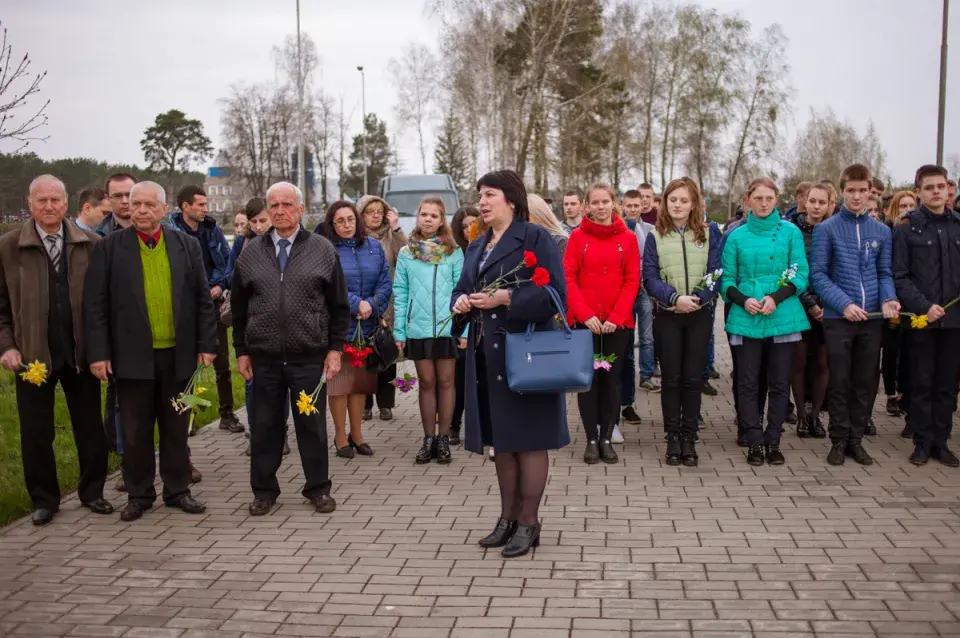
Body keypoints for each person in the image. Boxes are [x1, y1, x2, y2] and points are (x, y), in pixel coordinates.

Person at [451, 169, 568, 558]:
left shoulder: (534, 237)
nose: (482, 202)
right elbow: (463, 287)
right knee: (502, 442)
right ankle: (507, 518)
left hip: (526, 355)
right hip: (487, 356)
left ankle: (529, 522)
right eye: (480, 195)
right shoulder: (476, 245)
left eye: (490, 195)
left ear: (511, 200)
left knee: (529, 440)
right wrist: (460, 303)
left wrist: (506, 299)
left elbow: (555, 296)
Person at [84, 181, 215, 521]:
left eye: (148, 204)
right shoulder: (110, 248)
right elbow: (95, 305)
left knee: (175, 428)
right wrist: (99, 353)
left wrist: (206, 346)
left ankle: (178, 491)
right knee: (136, 431)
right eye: (135, 203)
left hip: (179, 356)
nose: (141, 210)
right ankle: (139, 495)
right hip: (131, 359)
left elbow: (203, 299)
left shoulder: (186, 245)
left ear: (162, 207)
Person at [231, 181, 350, 516]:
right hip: (264, 358)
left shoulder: (323, 250)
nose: (280, 211)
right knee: (265, 427)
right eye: (274, 205)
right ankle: (264, 491)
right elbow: (239, 309)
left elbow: (339, 306)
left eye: (287, 204)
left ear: (300, 209)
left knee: (311, 426)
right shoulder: (250, 253)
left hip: (309, 357)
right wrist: (241, 350)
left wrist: (335, 349)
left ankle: (318, 488)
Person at [0, 175, 111, 526]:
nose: (49, 206)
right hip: (32, 357)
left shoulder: (91, 243)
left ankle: (93, 492)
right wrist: (6, 347)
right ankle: (44, 500)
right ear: (30, 204)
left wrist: (101, 350)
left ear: (66, 204)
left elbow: (104, 304)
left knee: (91, 428)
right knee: (36, 433)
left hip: (80, 356)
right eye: (41, 200)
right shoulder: (8, 247)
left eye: (55, 200)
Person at [811, 164, 898, 466]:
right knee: (840, 380)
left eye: (863, 191)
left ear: (871, 192)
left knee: (865, 382)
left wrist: (888, 298)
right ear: (843, 191)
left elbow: (885, 272)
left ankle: (856, 440)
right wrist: (845, 303)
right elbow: (819, 275)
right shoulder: (827, 229)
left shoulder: (882, 232)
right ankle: (837, 440)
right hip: (839, 319)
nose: (858, 196)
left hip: (872, 319)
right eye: (852, 190)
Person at [721, 177, 810, 466]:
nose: (763, 203)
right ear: (747, 200)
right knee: (747, 382)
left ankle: (774, 440)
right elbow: (727, 278)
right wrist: (743, 299)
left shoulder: (790, 232)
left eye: (768, 198)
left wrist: (777, 296)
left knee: (780, 382)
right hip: (746, 314)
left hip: (781, 312)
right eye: (757, 198)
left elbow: (800, 273)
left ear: (776, 199)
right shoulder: (735, 236)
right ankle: (754, 440)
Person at [642, 177, 720, 466]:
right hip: (668, 316)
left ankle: (690, 438)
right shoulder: (655, 235)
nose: (678, 205)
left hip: (699, 315)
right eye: (673, 200)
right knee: (672, 379)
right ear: (665, 203)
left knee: (692, 379)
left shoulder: (710, 233)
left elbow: (716, 271)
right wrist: (675, 298)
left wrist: (698, 297)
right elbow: (649, 277)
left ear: (694, 204)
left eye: (684, 200)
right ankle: (672, 437)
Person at [564, 184, 641, 465]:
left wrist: (616, 317)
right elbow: (569, 278)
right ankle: (591, 439)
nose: (600, 207)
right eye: (594, 202)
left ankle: (607, 437)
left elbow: (632, 280)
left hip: (615, 327)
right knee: (589, 381)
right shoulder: (577, 238)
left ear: (613, 203)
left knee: (610, 380)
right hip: (586, 326)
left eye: (605, 201)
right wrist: (585, 314)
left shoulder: (628, 239)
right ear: (587, 206)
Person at [893, 164, 960, 467]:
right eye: (930, 187)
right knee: (920, 382)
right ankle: (921, 442)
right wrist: (923, 306)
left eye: (941, 186)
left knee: (945, 386)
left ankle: (940, 442)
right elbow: (900, 276)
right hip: (921, 321)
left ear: (949, 189)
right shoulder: (907, 227)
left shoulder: (958, 225)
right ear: (918, 192)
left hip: (954, 321)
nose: (937, 191)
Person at [316, 201, 392, 458]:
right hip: (339, 326)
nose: (347, 225)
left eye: (350, 219)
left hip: (367, 325)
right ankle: (340, 436)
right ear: (331, 224)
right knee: (339, 385)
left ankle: (357, 434)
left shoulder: (373, 246)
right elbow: (325, 285)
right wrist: (354, 303)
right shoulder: (325, 249)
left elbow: (385, 282)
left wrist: (370, 304)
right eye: (340, 221)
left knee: (360, 384)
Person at [393, 197, 466, 465]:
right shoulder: (406, 252)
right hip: (418, 327)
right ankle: (428, 439)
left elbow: (463, 293)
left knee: (446, 382)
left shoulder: (453, 252)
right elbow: (400, 293)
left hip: (448, 327)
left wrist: (464, 329)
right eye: (424, 214)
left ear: (441, 220)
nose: (428, 219)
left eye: (434, 215)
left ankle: (444, 438)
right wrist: (399, 331)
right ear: (417, 217)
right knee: (426, 383)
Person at [171, 186, 241, 434]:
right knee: (184, 365)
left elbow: (225, 261)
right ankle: (186, 418)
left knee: (222, 361)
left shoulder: (212, 229)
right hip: (184, 307)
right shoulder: (171, 232)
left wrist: (219, 285)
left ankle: (227, 414)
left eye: (205, 204)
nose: (205, 208)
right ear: (185, 206)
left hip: (212, 303)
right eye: (200, 204)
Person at [228, 198, 292, 457]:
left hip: (283, 328)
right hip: (253, 325)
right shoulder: (243, 246)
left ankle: (281, 433)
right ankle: (256, 434)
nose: (257, 226)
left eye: (262, 220)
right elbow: (230, 275)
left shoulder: (285, 245)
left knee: (282, 383)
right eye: (252, 222)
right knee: (253, 383)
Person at [95, 172, 137, 490]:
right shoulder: (97, 239)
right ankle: (129, 465)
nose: (124, 202)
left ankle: (181, 460)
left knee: (174, 402)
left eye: (129, 195)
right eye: (117, 196)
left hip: (163, 338)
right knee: (123, 405)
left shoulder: (163, 232)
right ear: (107, 200)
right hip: (121, 340)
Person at [357, 195, 407, 422]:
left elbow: (405, 255)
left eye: (380, 211)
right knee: (365, 353)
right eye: (370, 212)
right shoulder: (356, 237)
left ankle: (386, 404)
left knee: (387, 351)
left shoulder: (390, 235)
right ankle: (365, 404)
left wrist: (396, 228)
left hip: (388, 301)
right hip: (364, 300)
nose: (376, 216)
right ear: (361, 215)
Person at [790, 183, 831, 439]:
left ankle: (816, 416)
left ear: (829, 205)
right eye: (812, 201)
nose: (816, 207)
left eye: (821, 202)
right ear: (805, 202)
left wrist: (825, 304)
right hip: (799, 306)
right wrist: (810, 304)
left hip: (829, 308)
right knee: (800, 363)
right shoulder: (792, 231)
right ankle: (802, 418)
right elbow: (792, 271)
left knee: (823, 363)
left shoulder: (833, 231)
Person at [622, 189, 658, 433]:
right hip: (624, 290)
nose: (634, 209)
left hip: (643, 290)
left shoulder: (649, 231)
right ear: (623, 205)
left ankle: (646, 375)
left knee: (646, 336)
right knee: (625, 343)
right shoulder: (620, 230)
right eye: (630, 205)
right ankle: (626, 398)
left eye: (637, 205)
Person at [881, 191, 917, 423]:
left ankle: (906, 396)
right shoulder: (889, 233)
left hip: (914, 300)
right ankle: (891, 393)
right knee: (892, 348)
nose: (907, 208)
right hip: (891, 298)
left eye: (911, 204)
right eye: (902, 205)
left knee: (910, 351)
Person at [450, 205, 479, 446]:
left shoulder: (487, 249)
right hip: (461, 325)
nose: (470, 229)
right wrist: (464, 330)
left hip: (484, 326)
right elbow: (458, 292)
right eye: (464, 226)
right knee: (459, 380)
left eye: (473, 224)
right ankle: (453, 424)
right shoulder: (456, 253)